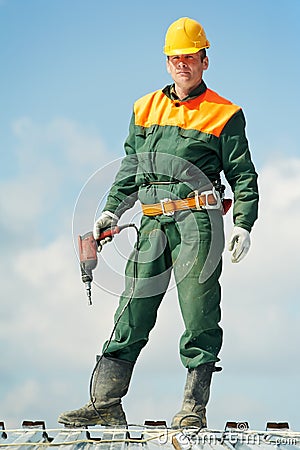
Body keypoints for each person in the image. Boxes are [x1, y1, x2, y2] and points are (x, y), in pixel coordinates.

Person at [58, 17, 259, 429]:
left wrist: (244, 222)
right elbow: (131, 168)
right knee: (132, 309)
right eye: (175, 58)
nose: (182, 64)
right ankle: (105, 403)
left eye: (190, 57)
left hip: (198, 224)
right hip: (151, 223)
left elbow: (243, 175)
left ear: (205, 60)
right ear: (167, 63)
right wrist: (113, 208)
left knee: (199, 312)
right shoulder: (144, 108)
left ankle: (192, 410)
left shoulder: (225, 114)